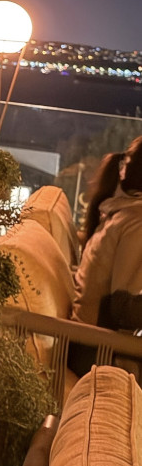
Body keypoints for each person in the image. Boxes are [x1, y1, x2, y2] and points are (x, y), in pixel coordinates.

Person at [72, 137, 142, 332]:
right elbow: (122, 307)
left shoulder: (123, 214)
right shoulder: (136, 222)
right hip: (96, 343)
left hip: (87, 335)